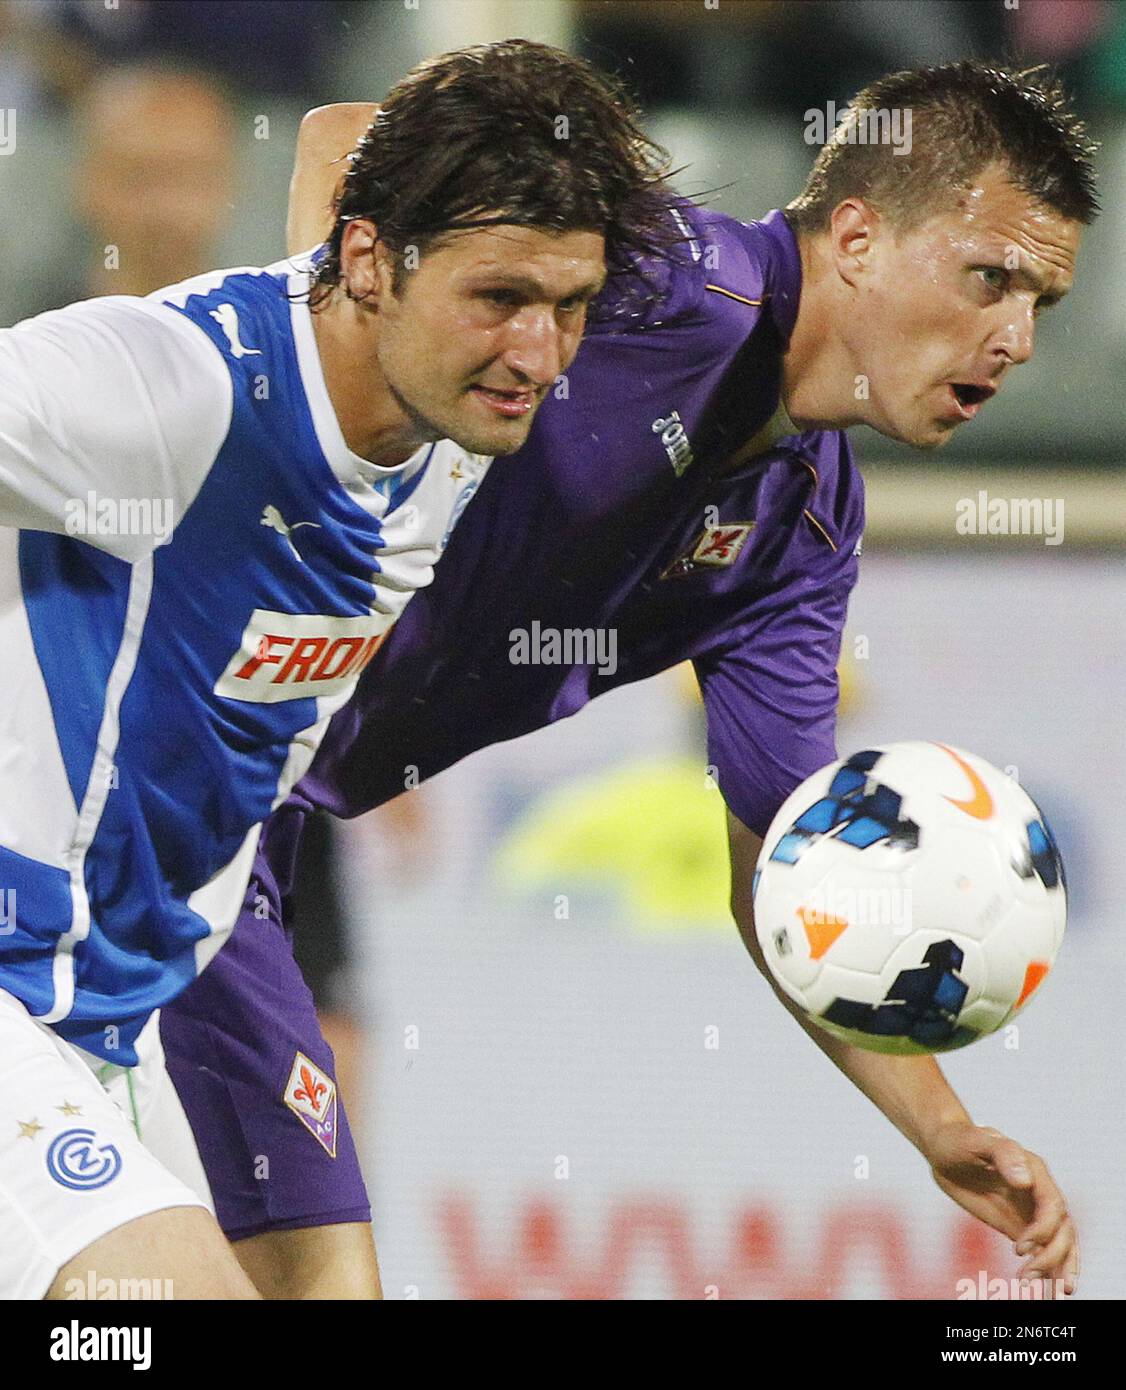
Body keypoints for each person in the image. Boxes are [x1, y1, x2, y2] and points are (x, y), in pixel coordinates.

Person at [162, 59, 1094, 1301]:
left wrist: (939, 1127)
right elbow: (345, 141)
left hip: (241, 828)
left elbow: (783, 875)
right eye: (992, 277)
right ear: (860, 238)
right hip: (143, 736)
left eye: (1040, 299)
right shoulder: (668, 278)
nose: (1016, 338)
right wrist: (334, 478)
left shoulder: (802, 533)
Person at [0, 38, 675, 1301]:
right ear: (368, 261)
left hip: (139, 1008)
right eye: (501, 297)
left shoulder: (453, 408)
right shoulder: (161, 389)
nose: (541, 352)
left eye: (571, 304)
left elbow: (340, 139)